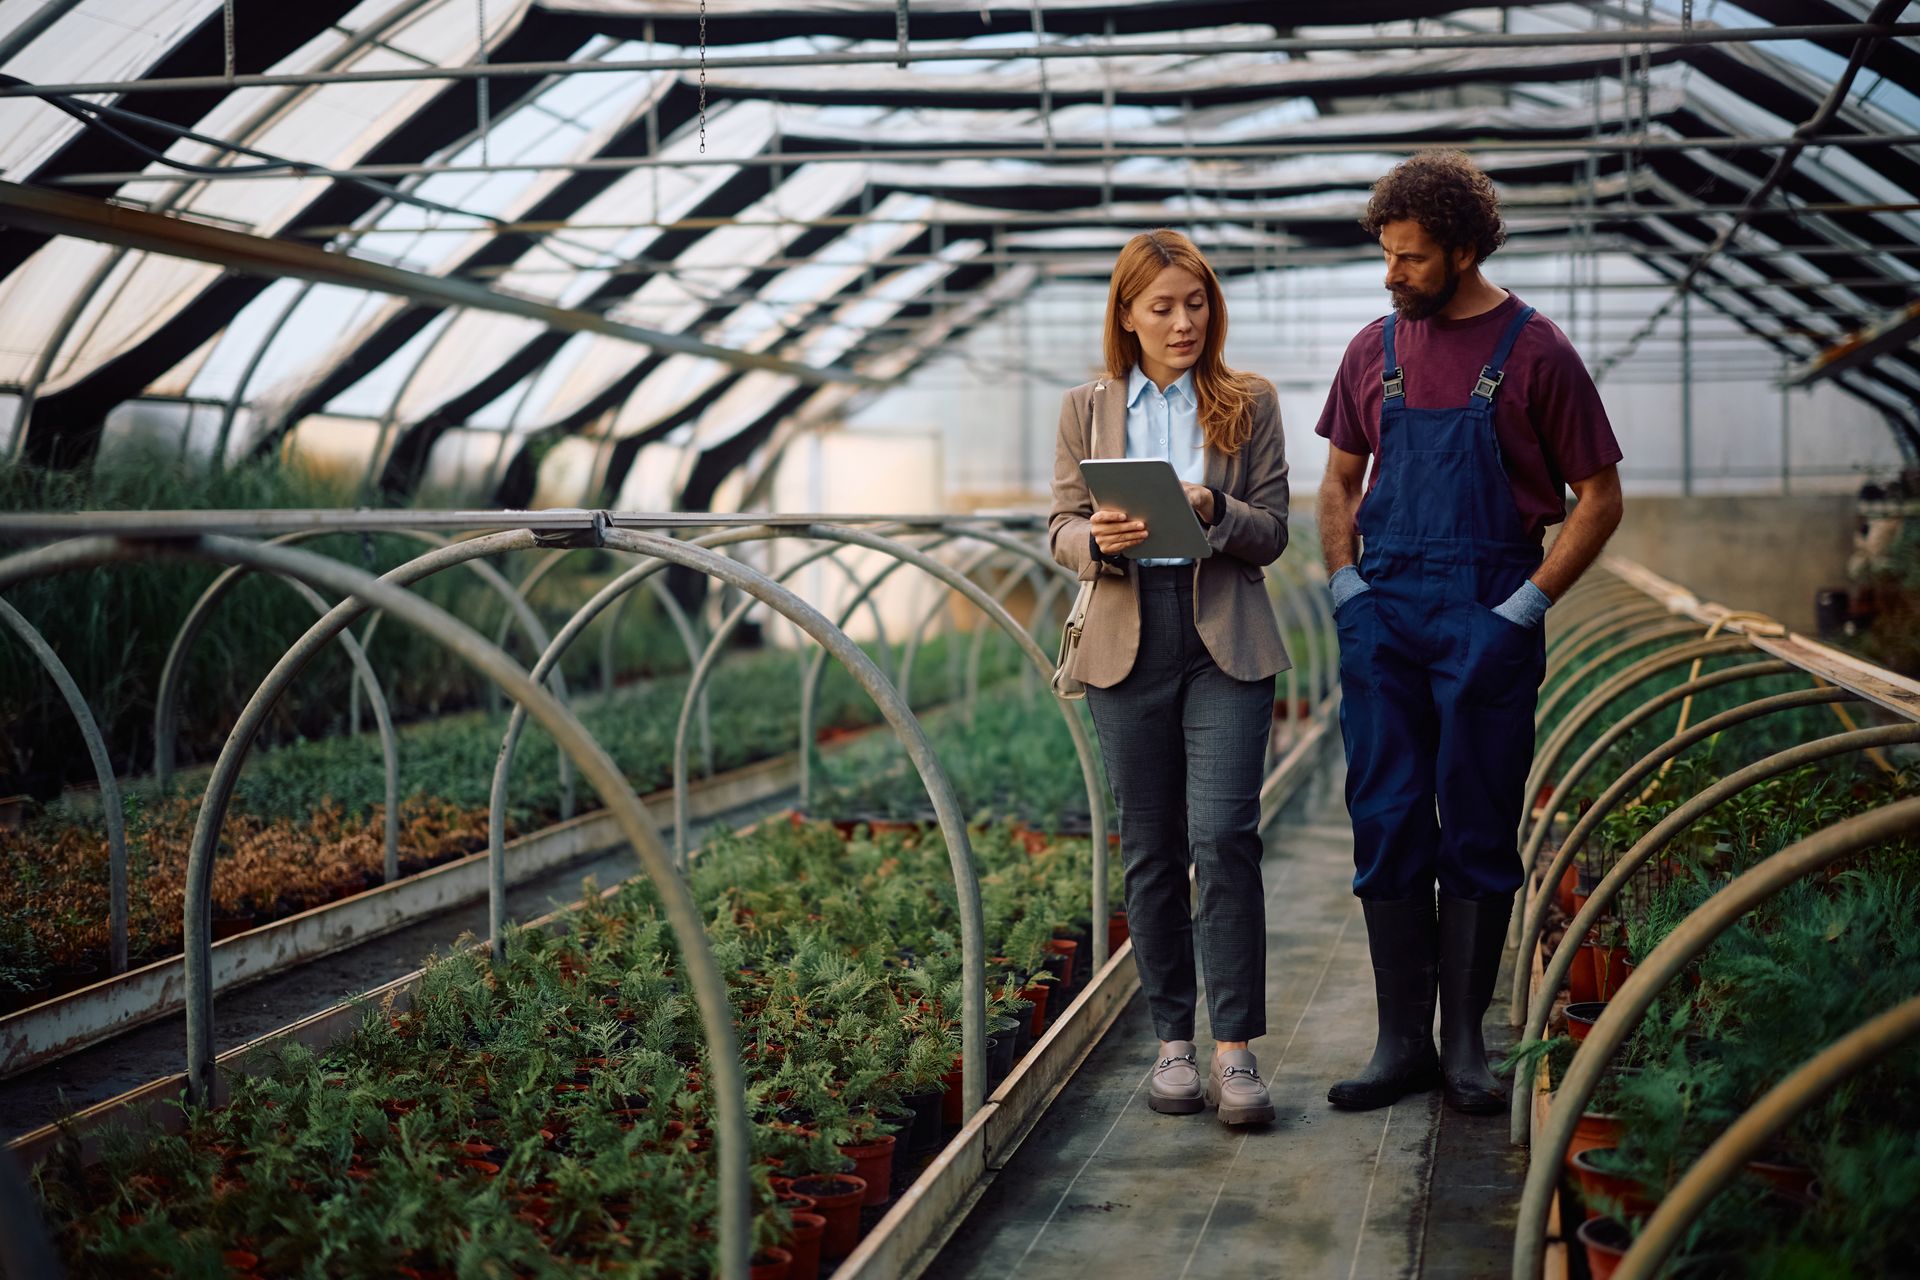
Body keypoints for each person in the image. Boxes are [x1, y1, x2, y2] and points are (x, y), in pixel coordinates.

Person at [1315, 152, 1625, 1115]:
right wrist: (1346, 589)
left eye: (1410, 259)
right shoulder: (1374, 349)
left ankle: (1465, 1049)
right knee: (1388, 816)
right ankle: (1398, 1041)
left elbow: (1600, 500)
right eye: (1386, 256)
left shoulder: (1538, 353)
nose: (1392, 275)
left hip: (1489, 609)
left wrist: (1523, 608)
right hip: (1385, 615)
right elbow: (1336, 485)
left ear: (1462, 249)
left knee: (1481, 825)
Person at [1048, 228, 1292, 1126]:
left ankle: (1236, 1055)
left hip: (1222, 634)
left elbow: (1274, 530)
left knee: (1224, 836)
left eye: (1196, 304)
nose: (1183, 321)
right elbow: (1060, 526)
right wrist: (1095, 543)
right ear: (1127, 314)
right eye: (1163, 307)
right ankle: (1172, 1046)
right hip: (1125, 639)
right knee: (1150, 849)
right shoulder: (1085, 407)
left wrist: (1216, 509)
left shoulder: (1246, 401)